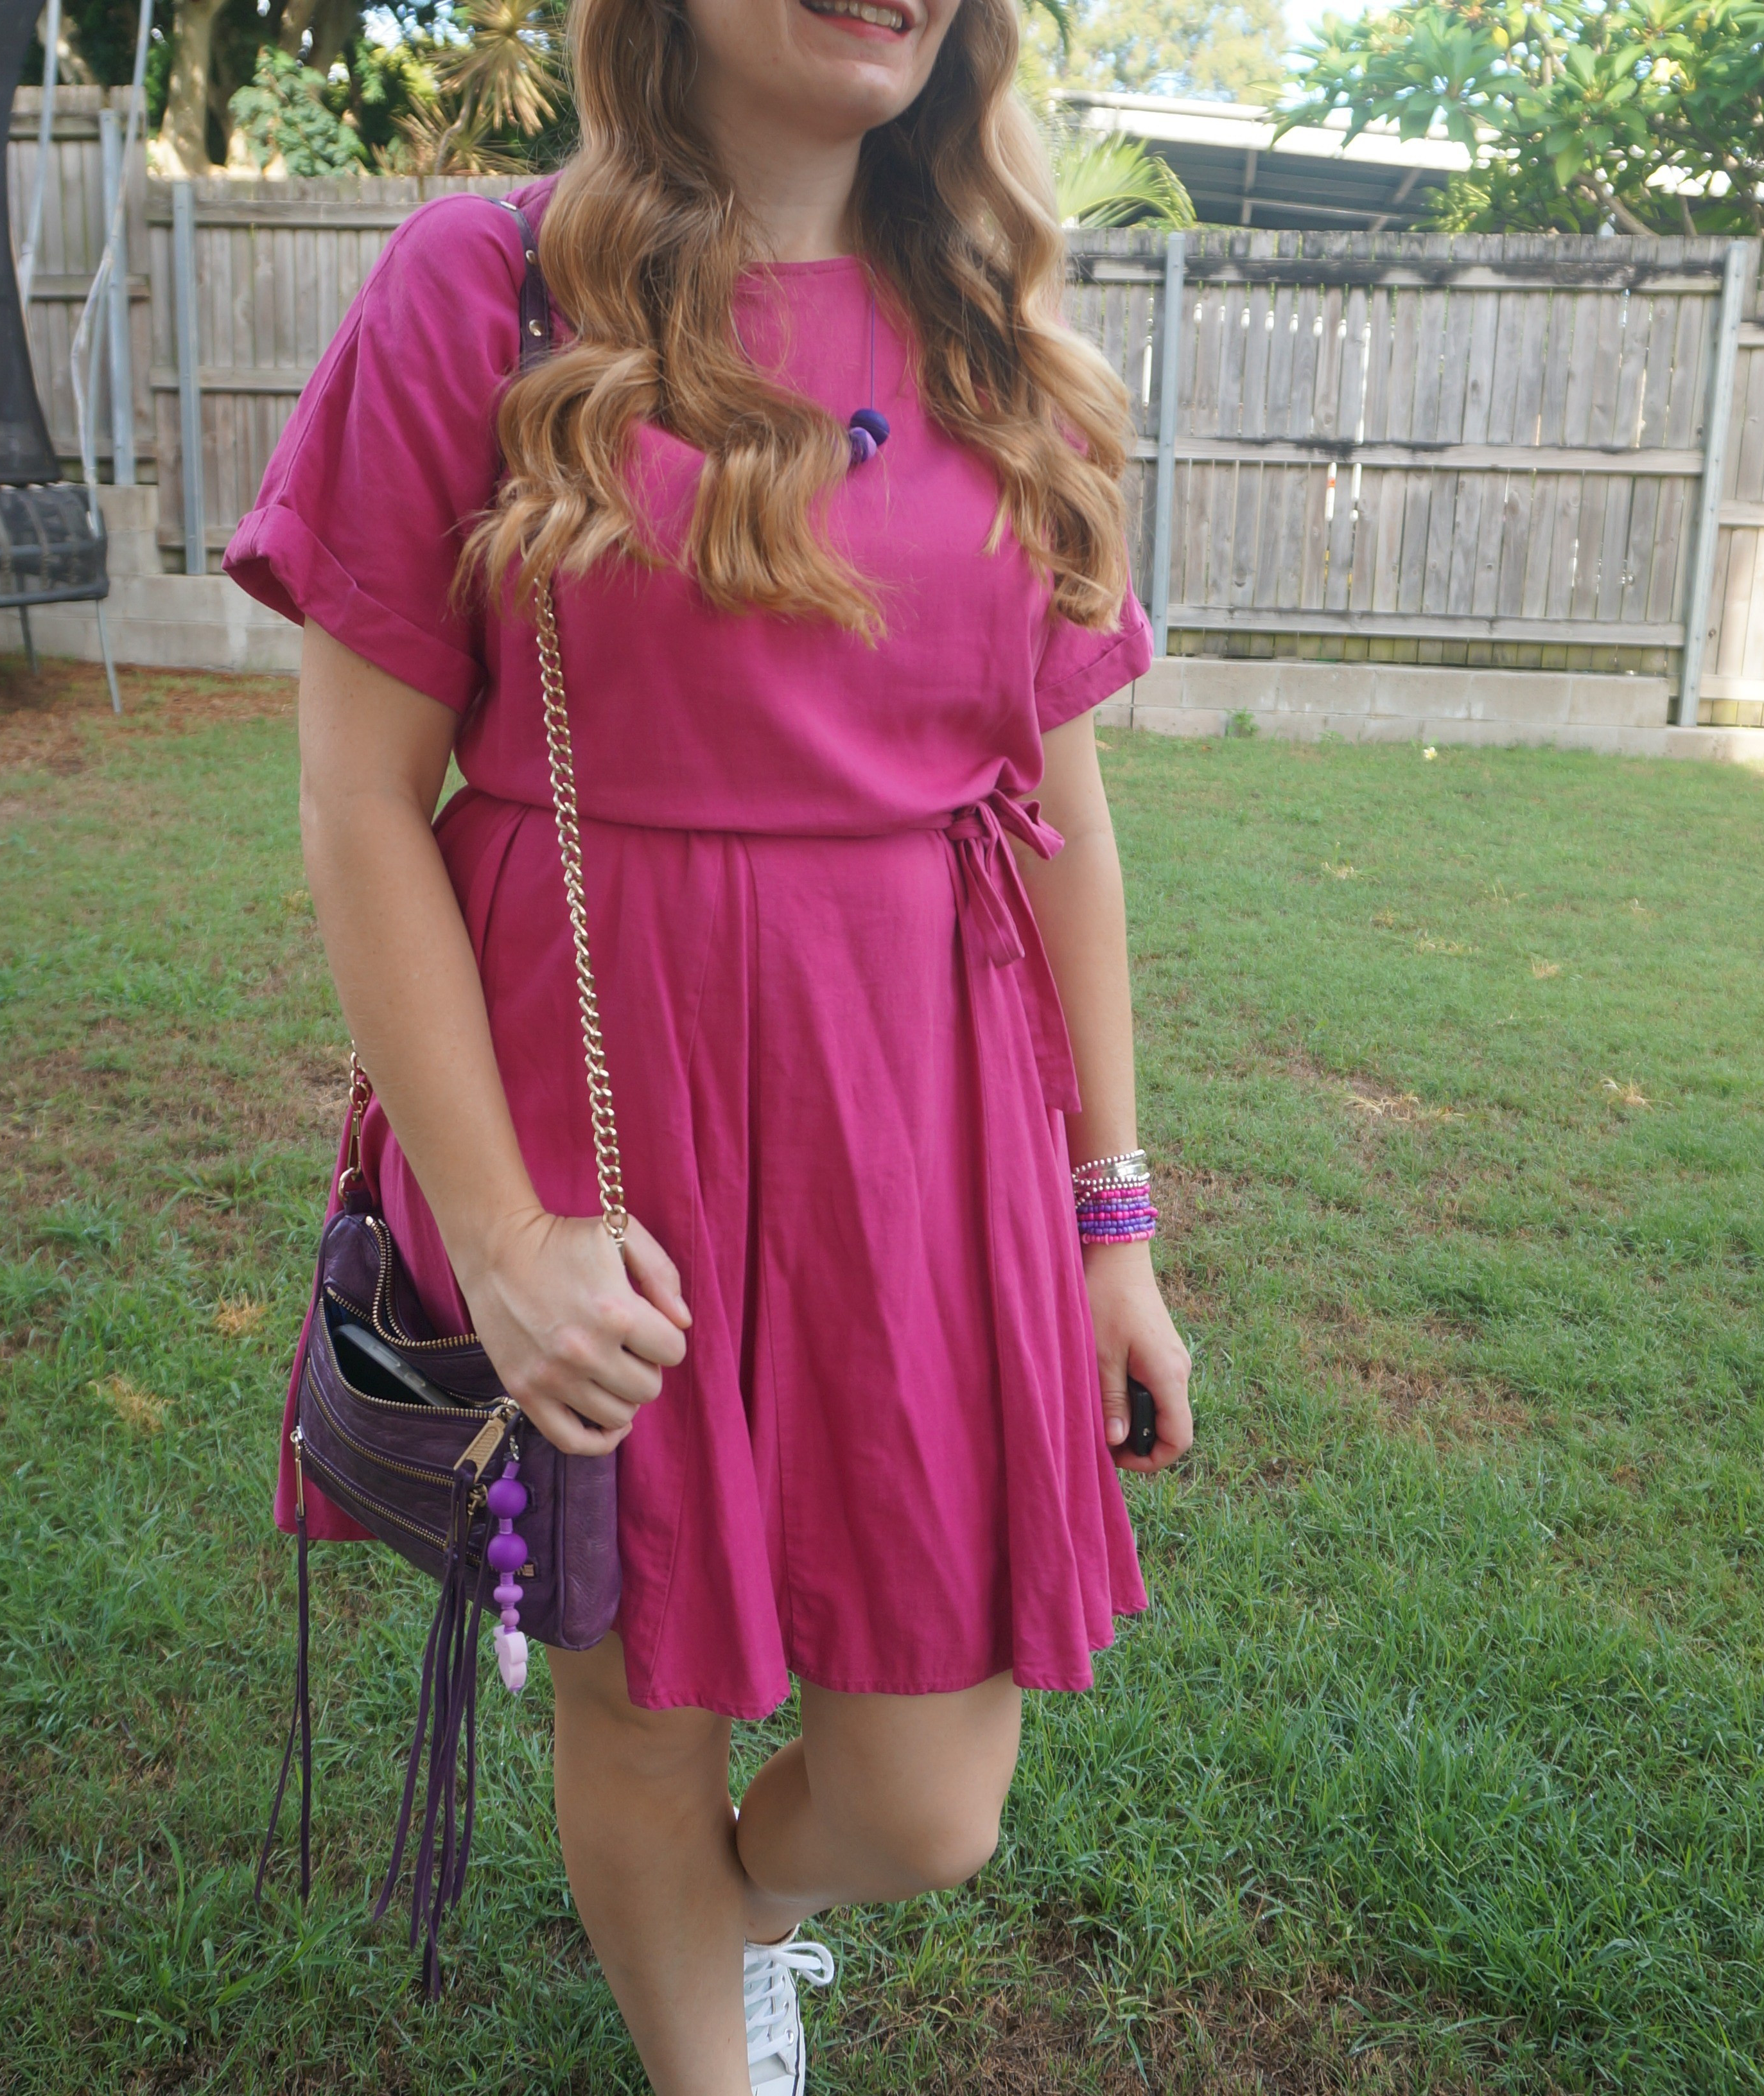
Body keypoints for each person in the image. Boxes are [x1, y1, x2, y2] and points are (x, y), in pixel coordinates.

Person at [224, 0, 1193, 2085]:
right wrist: (502, 1240)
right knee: (638, 1688)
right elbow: (362, 794)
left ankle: (731, 1914)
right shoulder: (489, 286)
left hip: (923, 1128)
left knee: (928, 1802)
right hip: (600, 1107)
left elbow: (1070, 816)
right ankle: (709, 2053)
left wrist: (1111, 1220)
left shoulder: (994, 333)